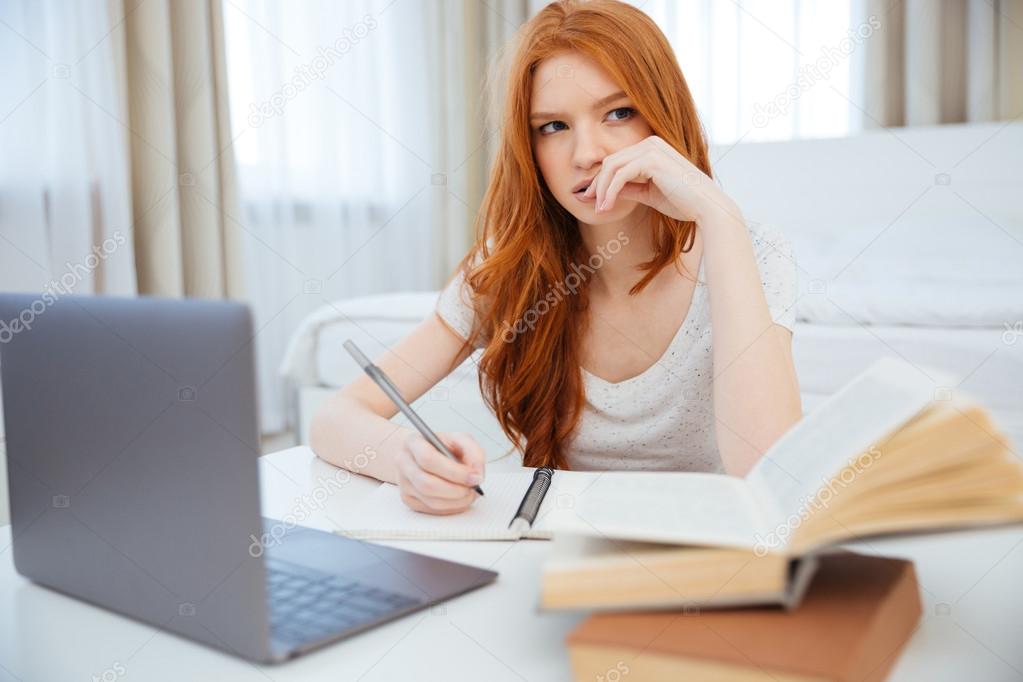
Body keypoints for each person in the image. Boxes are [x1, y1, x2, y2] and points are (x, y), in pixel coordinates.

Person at [311, 0, 801, 515]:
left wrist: (720, 220)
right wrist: (405, 458)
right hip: (550, 550)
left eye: (619, 112)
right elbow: (336, 416)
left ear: (665, 115)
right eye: (553, 127)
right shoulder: (509, 269)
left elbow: (771, 471)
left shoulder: (750, 253)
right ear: (530, 147)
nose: (586, 154)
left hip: (707, 554)